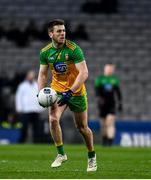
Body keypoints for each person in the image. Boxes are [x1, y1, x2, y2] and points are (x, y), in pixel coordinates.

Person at [37, 19, 97, 172]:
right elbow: (43, 74)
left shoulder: (73, 49)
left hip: (75, 92)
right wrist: (40, 93)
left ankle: (91, 156)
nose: (63, 33)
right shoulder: (45, 52)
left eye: (64, 31)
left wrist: (70, 92)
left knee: (82, 128)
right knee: (53, 119)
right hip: (56, 90)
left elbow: (84, 73)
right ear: (51, 34)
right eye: (59, 31)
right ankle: (61, 154)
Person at [94, 63, 123, 146]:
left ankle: (110, 142)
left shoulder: (114, 80)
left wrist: (120, 103)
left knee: (109, 122)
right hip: (102, 104)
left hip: (111, 104)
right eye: (108, 68)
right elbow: (97, 91)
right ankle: (104, 140)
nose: (109, 70)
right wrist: (99, 99)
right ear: (105, 69)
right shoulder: (100, 79)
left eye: (111, 68)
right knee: (103, 124)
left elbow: (118, 93)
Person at [15, 70, 43, 143]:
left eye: (32, 75)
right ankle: (22, 141)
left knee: (36, 128)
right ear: (27, 76)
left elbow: (41, 96)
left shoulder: (37, 85)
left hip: (35, 110)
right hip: (26, 110)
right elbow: (18, 97)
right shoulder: (22, 86)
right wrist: (19, 108)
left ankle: (36, 142)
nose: (31, 77)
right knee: (24, 127)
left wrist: (41, 108)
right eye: (29, 75)